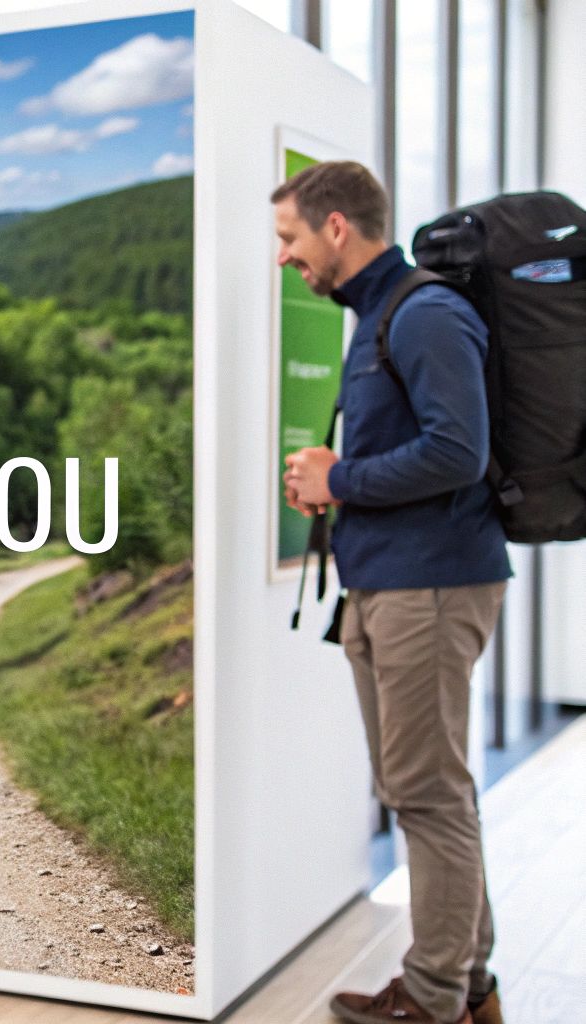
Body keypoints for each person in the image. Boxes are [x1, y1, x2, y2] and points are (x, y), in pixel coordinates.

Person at [275, 161, 509, 1024]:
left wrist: (343, 478)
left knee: (426, 794)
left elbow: (460, 453)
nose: (282, 257)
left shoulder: (427, 312)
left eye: (289, 236)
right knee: (426, 789)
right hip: (390, 584)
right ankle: (469, 986)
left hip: (432, 587)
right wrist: (336, 484)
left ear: (337, 227)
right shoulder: (378, 314)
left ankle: (437, 994)